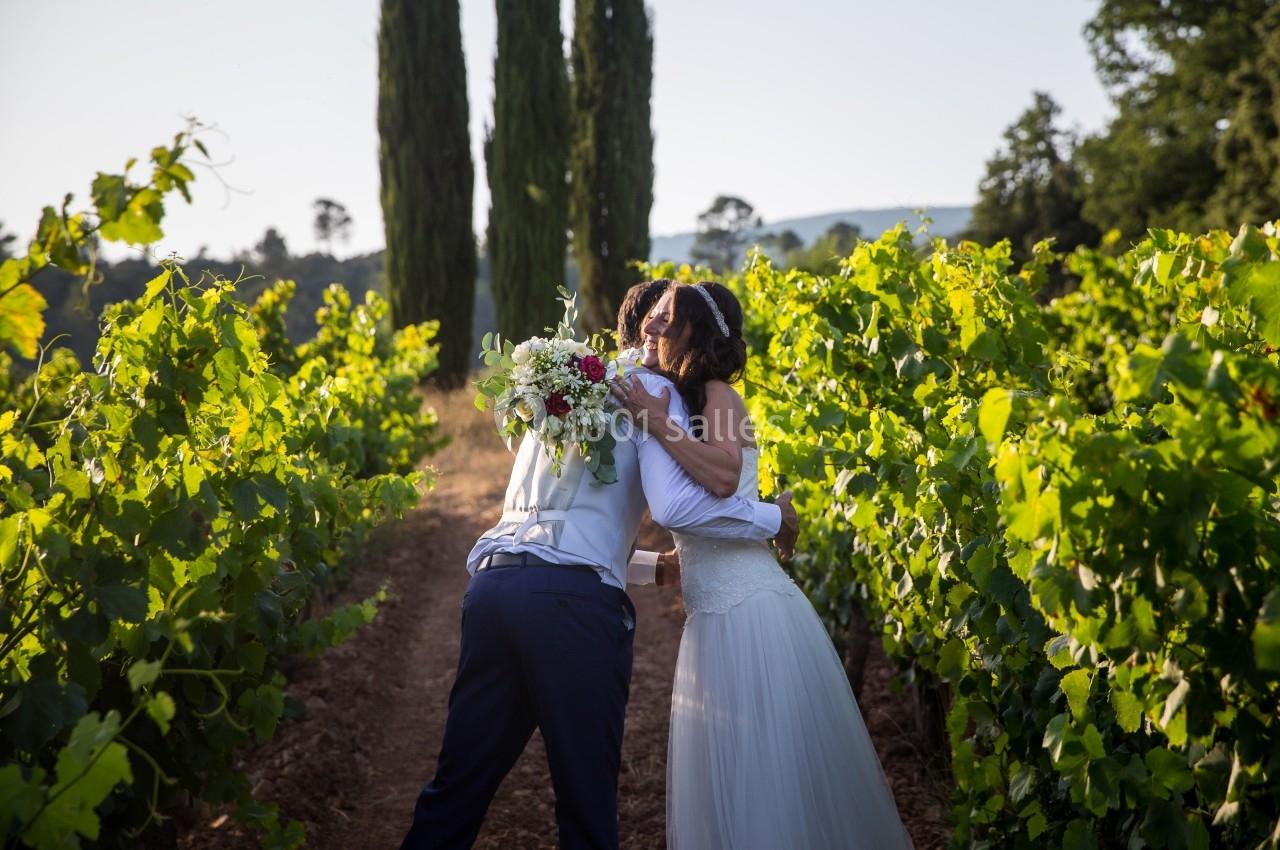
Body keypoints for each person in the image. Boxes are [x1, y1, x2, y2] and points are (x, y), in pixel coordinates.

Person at [399, 279, 799, 850]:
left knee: (456, 788)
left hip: (496, 585)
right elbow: (678, 506)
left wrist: (657, 569)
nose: (659, 330)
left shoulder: (564, 383)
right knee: (585, 804)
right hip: (569, 609)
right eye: (659, 317)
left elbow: (566, 528)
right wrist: (770, 520)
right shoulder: (650, 394)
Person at [611, 281, 915, 850]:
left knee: (766, 782)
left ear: (696, 333)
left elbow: (725, 479)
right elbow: (695, 536)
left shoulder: (719, 396)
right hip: (712, 617)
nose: (653, 329)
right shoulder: (689, 401)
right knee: (733, 780)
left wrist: (656, 421)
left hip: (750, 612)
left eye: (668, 319)